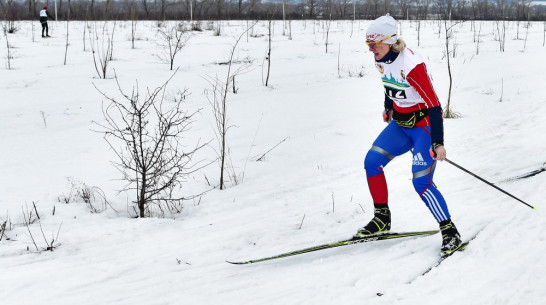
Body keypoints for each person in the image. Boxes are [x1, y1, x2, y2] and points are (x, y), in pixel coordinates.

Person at [356, 15, 463, 255]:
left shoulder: (412, 65)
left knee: (420, 183)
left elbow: (434, 105)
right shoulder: (381, 59)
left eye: (375, 44)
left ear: (390, 41)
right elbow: (389, 84)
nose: (371, 49)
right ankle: (382, 218)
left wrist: (438, 142)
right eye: (368, 45)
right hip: (401, 125)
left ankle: (450, 231)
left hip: (423, 128)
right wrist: (389, 107)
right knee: (372, 162)